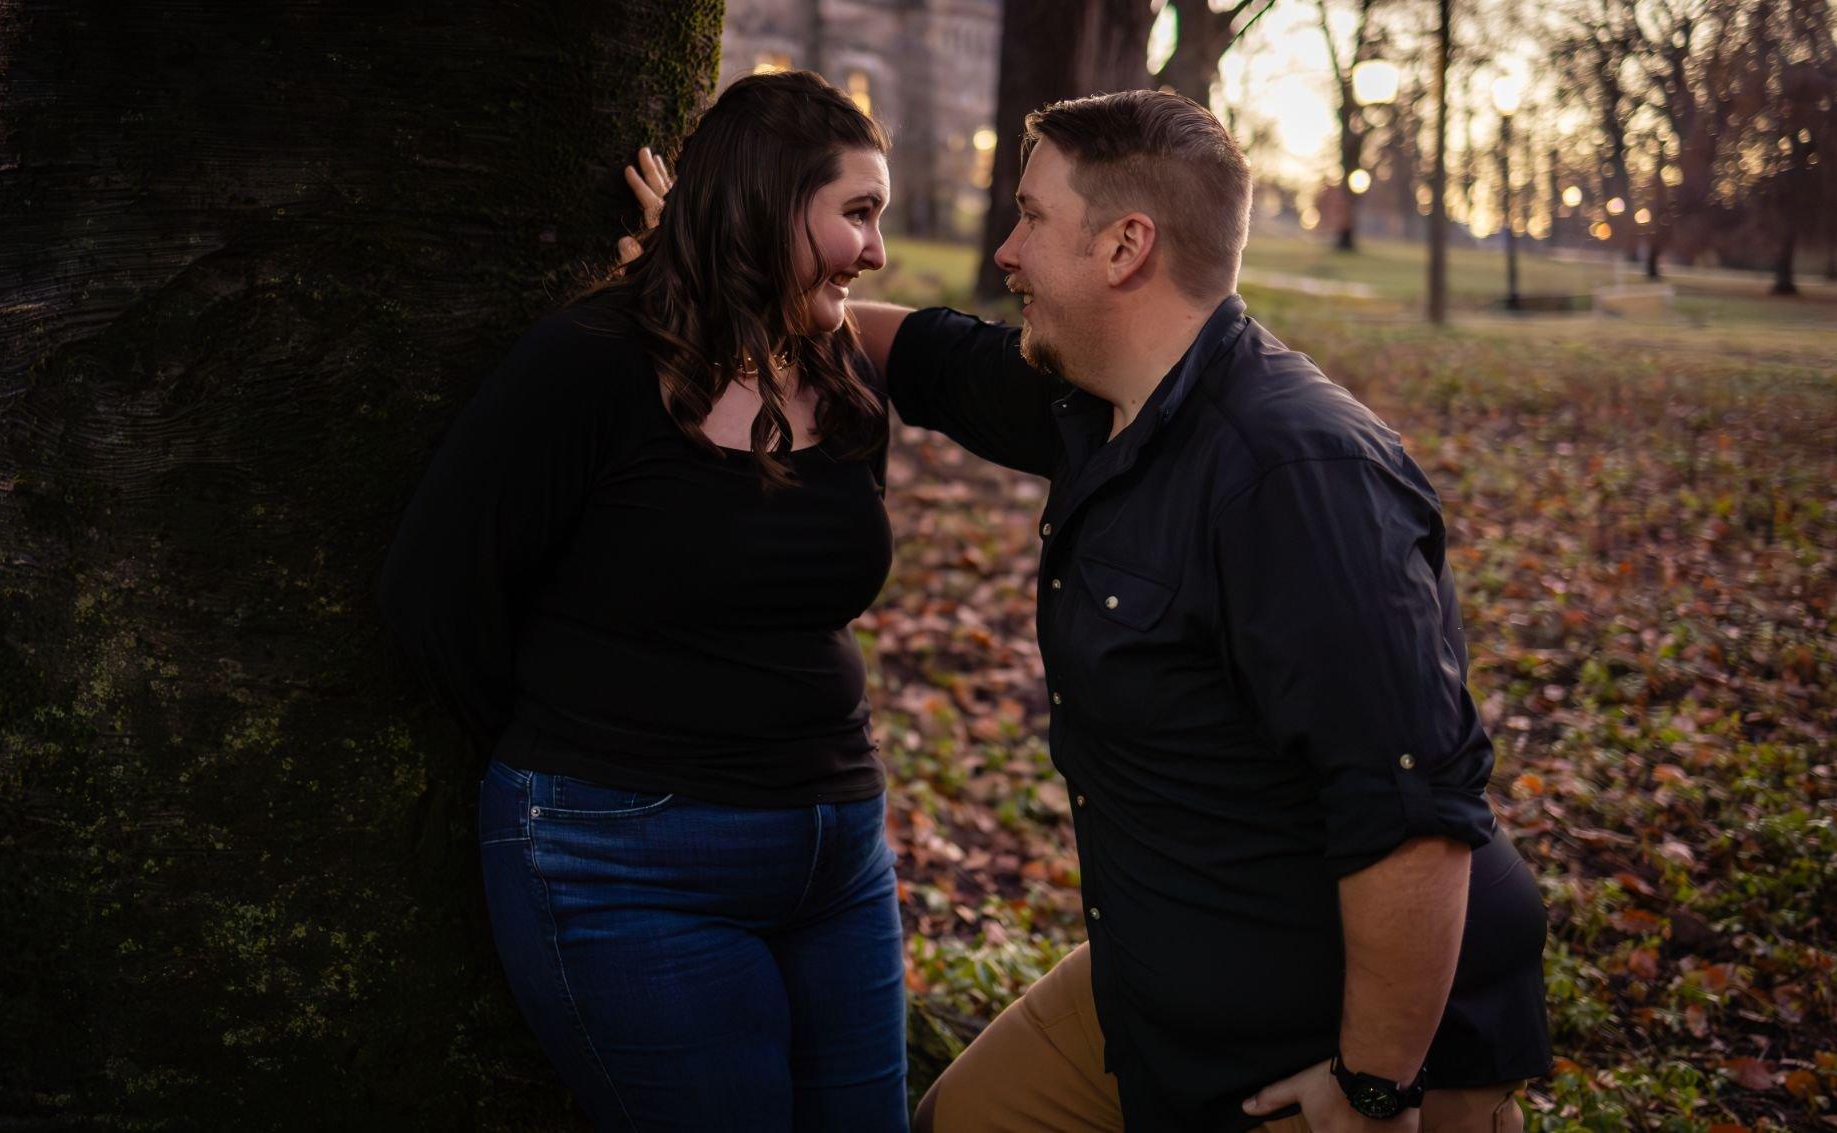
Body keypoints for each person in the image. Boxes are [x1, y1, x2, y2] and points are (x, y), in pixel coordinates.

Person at [623, 87, 1550, 1132]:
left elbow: (1413, 816)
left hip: (1349, 1028)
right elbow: (916, 353)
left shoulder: (1296, 476)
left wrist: (1376, 1084)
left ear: (1123, 246)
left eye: (1029, 217)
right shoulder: (1097, 401)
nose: (1006, 250)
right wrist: (724, 269)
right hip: (1165, 987)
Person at [375, 70, 909, 1132]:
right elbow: (433, 591)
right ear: (761, 206)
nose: (877, 251)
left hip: (837, 858)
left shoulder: (839, 381)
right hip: (626, 861)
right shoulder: (588, 367)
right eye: (856, 213)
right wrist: (580, 748)